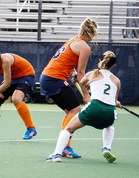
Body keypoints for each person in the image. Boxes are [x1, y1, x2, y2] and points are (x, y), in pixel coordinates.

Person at [46, 50, 121, 163]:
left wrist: (76, 78)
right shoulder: (117, 81)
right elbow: (113, 101)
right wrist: (117, 103)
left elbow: (82, 83)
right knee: (109, 125)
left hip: (94, 108)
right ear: (113, 65)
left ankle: (56, 155)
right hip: (110, 112)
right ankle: (106, 148)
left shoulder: (92, 74)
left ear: (100, 61)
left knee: (68, 129)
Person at [40, 18, 98, 158]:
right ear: (93, 33)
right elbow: (81, 73)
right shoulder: (84, 47)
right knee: (75, 110)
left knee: (68, 111)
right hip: (54, 79)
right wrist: (86, 94)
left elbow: (67, 60)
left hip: (47, 78)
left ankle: (64, 146)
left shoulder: (74, 40)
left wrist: (70, 71)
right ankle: (65, 147)